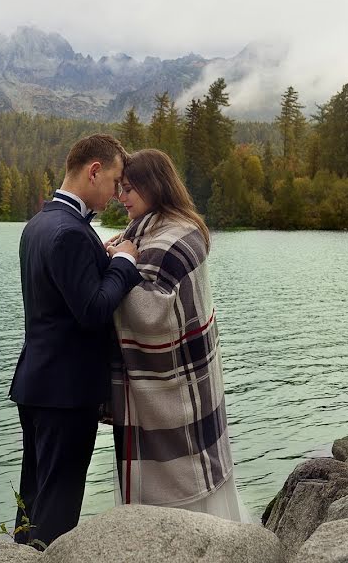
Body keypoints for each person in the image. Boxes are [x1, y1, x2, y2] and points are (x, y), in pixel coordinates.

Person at [9, 134, 142, 547]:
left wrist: (101, 260)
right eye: (116, 180)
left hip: (38, 383)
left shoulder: (40, 223)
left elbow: (63, 299)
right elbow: (92, 310)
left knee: (33, 498)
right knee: (58, 511)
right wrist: (124, 261)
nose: (117, 192)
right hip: (65, 393)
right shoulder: (69, 232)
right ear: (94, 171)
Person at [108, 148, 249, 522]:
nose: (121, 198)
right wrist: (122, 251)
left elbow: (150, 313)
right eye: (119, 188)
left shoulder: (161, 241)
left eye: (129, 189)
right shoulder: (181, 227)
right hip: (198, 387)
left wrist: (115, 263)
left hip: (173, 396)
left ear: (154, 186)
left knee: (177, 515)